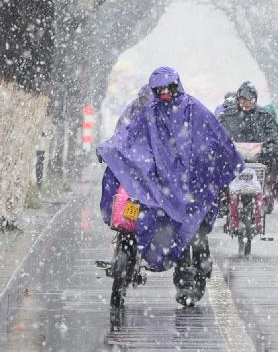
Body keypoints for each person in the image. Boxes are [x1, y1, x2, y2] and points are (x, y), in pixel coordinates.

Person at [98, 67, 243, 306]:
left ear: (177, 87)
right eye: (160, 90)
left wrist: (212, 161)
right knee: (139, 215)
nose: (165, 94)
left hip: (186, 184)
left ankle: (189, 279)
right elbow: (128, 135)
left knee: (190, 232)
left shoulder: (194, 110)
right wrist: (109, 149)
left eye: (169, 89)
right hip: (157, 183)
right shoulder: (149, 113)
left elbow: (214, 138)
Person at [218, 81, 278, 210]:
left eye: (249, 100)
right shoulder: (228, 115)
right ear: (237, 100)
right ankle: (222, 197)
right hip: (234, 158)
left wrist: (266, 146)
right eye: (242, 99)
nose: (245, 103)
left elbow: (273, 134)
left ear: (255, 100)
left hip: (259, 158)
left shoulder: (264, 115)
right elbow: (220, 133)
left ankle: (268, 190)